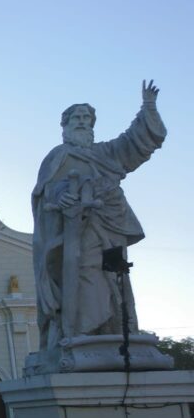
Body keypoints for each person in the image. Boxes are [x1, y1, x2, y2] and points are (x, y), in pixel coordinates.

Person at [32, 81, 166, 350]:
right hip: (76, 230)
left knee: (116, 277)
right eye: (76, 118)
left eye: (86, 118)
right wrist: (61, 196)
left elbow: (134, 143)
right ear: (65, 125)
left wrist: (148, 107)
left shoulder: (105, 153)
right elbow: (43, 194)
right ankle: (82, 331)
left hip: (112, 225)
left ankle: (117, 330)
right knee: (84, 273)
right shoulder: (57, 156)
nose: (82, 122)